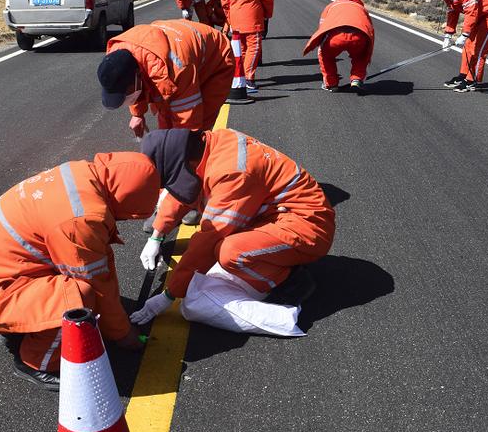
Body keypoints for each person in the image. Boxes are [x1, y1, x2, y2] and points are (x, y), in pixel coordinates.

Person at [0, 153, 161, 391]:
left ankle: (26, 327)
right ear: (126, 201)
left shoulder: (81, 176)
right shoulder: (81, 219)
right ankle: (36, 363)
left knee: (86, 291)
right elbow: (96, 283)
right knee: (79, 297)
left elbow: (99, 261)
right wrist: (123, 334)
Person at [130, 129, 336, 336]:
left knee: (230, 252)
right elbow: (182, 192)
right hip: (278, 214)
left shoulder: (232, 173)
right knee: (220, 246)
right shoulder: (209, 145)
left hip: (310, 226)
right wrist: (157, 234)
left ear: (187, 164)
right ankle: (277, 262)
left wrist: (170, 294)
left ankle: (290, 280)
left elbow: (209, 237)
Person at [97, 20, 235, 138]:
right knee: (166, 125)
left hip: (217, 60)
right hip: (179, 52)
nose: (126, 97)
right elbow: (132, 82)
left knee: (196, 135)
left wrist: (178, 156)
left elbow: (188, 123)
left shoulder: (176, 69)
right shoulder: (118, 55)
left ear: (138, 75)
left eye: (125, 94)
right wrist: (137, 114)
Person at [427, 0, 488, 92]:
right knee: (468, 47)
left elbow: (471, 12)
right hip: (479, 14)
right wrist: (448, 34)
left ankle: (472, 81)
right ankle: (463, 75)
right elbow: (452, 12)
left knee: (479, 48)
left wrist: (465, 34)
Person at [303, 0, 374, 94]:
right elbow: (369, 29)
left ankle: (331, 84)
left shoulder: (332, 5)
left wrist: (320, 42)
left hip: (336, 36)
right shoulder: (362, 8)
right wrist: (368, 48)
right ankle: (356, 79)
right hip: (358, 37)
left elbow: (323, 26)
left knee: (325, 55)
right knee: (361, 56)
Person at [221, 0, 274, 93]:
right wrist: (267, 13)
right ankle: (248, 79)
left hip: (235, 17)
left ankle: (241, 76)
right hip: (252, 17)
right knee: (254, 47)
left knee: (242, 49)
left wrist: (230, 18)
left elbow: (224, 0)